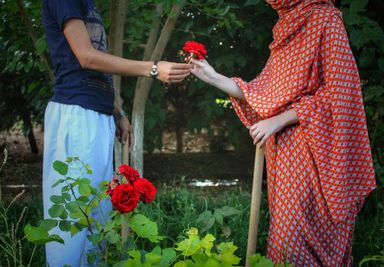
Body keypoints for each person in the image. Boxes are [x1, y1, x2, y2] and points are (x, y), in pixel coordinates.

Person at [191, 0, 376, 266]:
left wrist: (279, 120)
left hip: (318, 151)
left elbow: (340, 91)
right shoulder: (287, 24)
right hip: (285, 153)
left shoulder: (325, 18)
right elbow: (266, 91)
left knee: (293, 241)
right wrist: (212, 77)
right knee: (285, 243)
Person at [41, 0, 192, 266]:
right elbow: (86, 57)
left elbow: (93, 68)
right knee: (71, 221)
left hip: (96, 114)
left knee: (98, 216)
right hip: (76, 116)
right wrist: (153, 68)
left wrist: (117, 111)